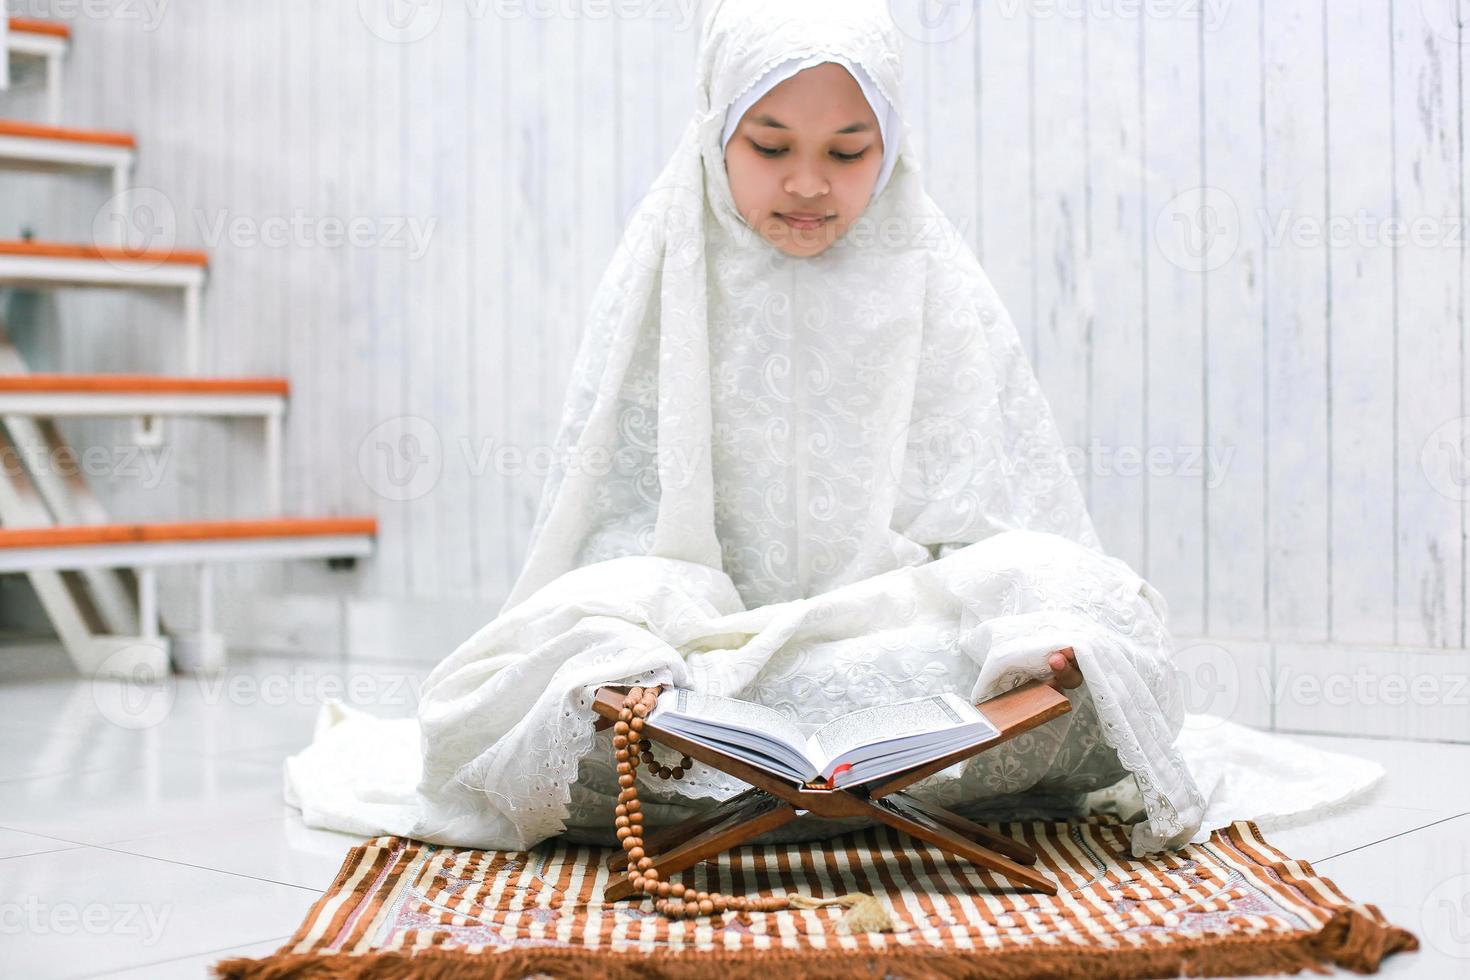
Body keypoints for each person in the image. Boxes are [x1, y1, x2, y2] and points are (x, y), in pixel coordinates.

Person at [286, 0, 1205, 859]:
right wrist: (652, 644)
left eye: (849, 153)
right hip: (705, 645)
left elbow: (997, 519)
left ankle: (790, 758)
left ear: (892, 147)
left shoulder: (933, 272)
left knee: (1094, 614)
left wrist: (1022, 623)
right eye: (771, 146)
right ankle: (772, 747)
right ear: (717, 131)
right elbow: (611, 523)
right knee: (573, 660)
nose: (809, 184)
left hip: (889, 635)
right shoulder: (666, 264)